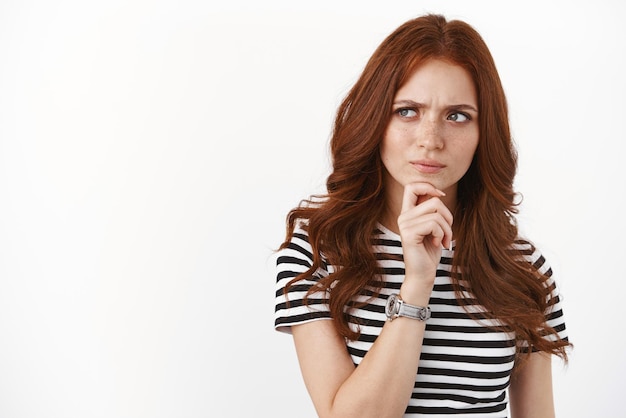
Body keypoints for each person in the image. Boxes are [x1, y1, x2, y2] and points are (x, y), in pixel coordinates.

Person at [273, 13, 571, 418]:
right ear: (375, 118)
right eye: (407, 111)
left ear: (486, 133)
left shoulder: (523, 268)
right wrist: (417, 283)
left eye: (458, 115)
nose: (430, 140)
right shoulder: (317, 250)